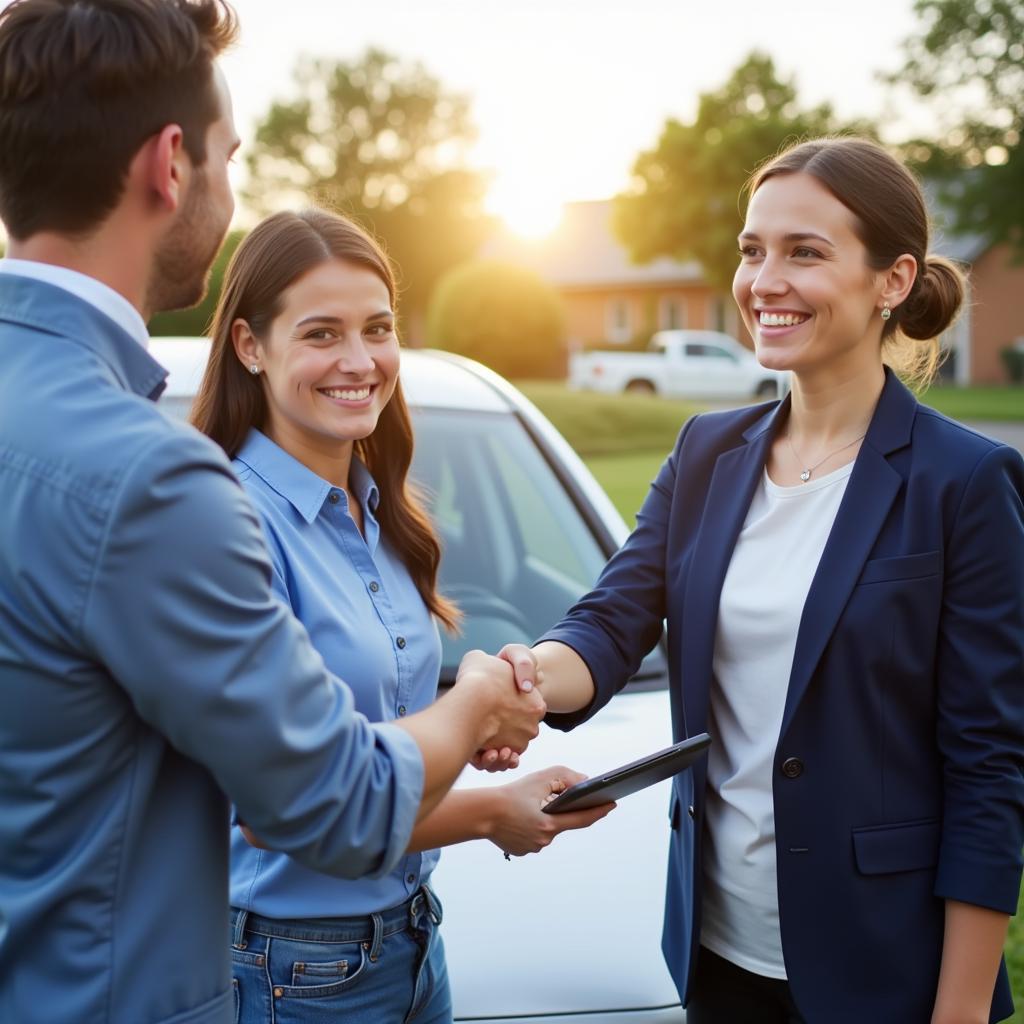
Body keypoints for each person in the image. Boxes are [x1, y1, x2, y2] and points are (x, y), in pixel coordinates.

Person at [0, 3, 544, 1023]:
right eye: (227, 156)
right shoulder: (150, 478)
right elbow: (331, 800)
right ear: (171, 164)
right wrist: (476, 702)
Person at [496, 137, 1024, 1023]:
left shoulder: (964, 483)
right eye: (752, 250)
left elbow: (991, 768)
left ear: (891, 280)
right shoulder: (707, 451)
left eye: (804, 252)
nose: (763, 281)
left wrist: (961, 1012)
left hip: (883, 966)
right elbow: (612, 620)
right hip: (716, 952)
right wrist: (515, 677)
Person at [188, 206, 613, 1024]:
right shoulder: (230, 525)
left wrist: (464, 744)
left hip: (411, 943)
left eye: (377, 328)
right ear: (250, 346)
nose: (359, 361)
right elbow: (284, 812)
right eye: (320, 335)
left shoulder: (382, 515)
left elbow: (375, 744)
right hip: (293, 968)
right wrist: (476, 749)